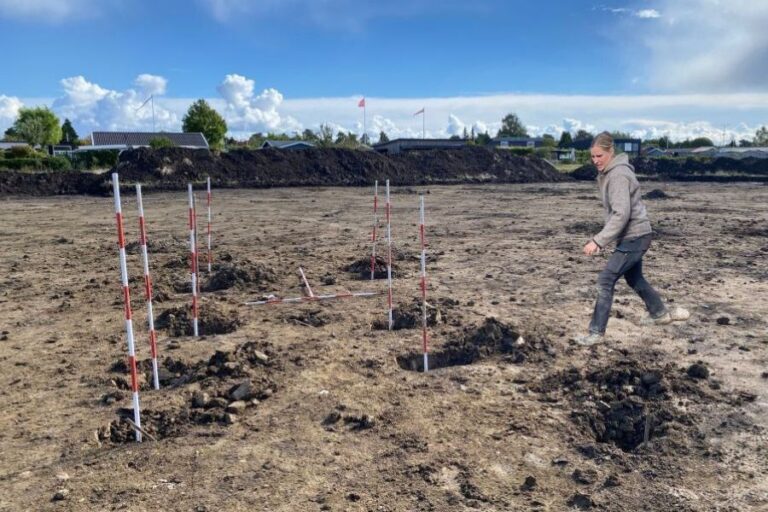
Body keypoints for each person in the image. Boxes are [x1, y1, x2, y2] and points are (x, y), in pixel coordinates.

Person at [576, 132, 688, 346]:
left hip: (635, 237)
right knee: (634, 278)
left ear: (611, 152)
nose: (595, 161)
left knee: (605, 280)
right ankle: (659, 313)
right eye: (592, 157)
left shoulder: (618, 175)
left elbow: (621, 214)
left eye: (599, 155)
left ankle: (596, 333)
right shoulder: (611, 173)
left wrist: (598, 241)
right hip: (636, 236)